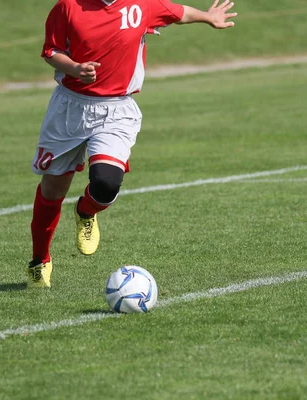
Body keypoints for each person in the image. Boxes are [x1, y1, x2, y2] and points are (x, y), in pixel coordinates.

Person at [27, 0, 237, 288]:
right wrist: (75, 67)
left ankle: (86, 211)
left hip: (116, 109)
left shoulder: (142, 4)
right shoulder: (68, 6)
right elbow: (50, 52)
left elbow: (179, 13)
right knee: (53, 190)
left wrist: (208, 17)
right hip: (70, 109)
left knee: (106, 182)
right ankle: (40, 261)